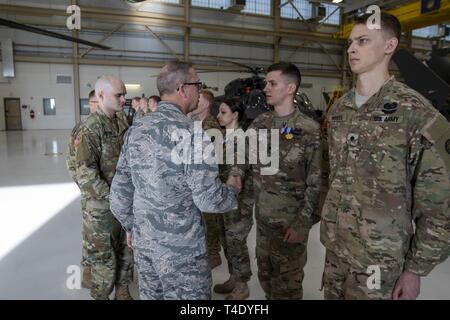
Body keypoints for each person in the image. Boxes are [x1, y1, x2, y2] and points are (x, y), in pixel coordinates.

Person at [321, 12, 450, 300]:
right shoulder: (340, 110)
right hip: (336, 253)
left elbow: (440, 203)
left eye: (363, 41)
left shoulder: (416, 112)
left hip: (381, 261)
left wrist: (416, 269)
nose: (352, 48)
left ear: (390, 46)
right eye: (351, 42)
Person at [109, 61, 240, 300]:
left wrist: (132, 226)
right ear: (183, 88)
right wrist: (232, 190)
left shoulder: (136, 130)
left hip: (146, 246)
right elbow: (208, 199)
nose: (199, 91)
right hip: (183, 253)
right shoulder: (192, 134)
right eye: (197, 84)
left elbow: (118, 193)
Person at [230, 62, 323, 299]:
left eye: (273, 83)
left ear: (290, 88)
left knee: (287, 287)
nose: (266, 88)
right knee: (266, 279)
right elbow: (243, 154)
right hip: (263, 222)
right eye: (266, 83)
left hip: (290, 224)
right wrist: (236, 174)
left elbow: (318, 183)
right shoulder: (261, 123)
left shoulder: (309, 130)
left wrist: (302, 224)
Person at [74, 75, 134, 300]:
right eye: (119, 95)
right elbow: (86, 174)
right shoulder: (89, 129)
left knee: (126, 251)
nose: (123, 99)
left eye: (124, 94)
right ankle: (101, 296)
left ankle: (123, 290)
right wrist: (113, 198)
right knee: (103, 259)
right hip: (101, 208)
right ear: (100, 96)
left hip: (123, 204)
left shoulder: (122, 121)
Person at [214, 97, 254, 300]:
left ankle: (242, 284)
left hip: (239, 202)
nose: (218, 116)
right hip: (223, 199)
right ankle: (233, 276)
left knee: (237, 242)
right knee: (226, 240)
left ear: (235, 114)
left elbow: (239, 169)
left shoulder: (243, 139)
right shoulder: (223, 137)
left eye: (223, 112)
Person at [66, 89, 98, 289]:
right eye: (93, 102)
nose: (96, 106)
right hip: (91, 193)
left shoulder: (117, 124)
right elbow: (72, 164)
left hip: (112, 194)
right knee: (91, 234)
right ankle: (88, 272)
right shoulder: (82, 129)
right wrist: (85, 187)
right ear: (90, 104)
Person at [189, 89, 223, 270]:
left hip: (208, 181)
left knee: (210, 220)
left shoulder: (211, 126)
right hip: (199, 181)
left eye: (199, 99)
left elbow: (211, 158)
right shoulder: (198, 124)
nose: (195, 100)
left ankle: (213, 253)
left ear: (206, 104)